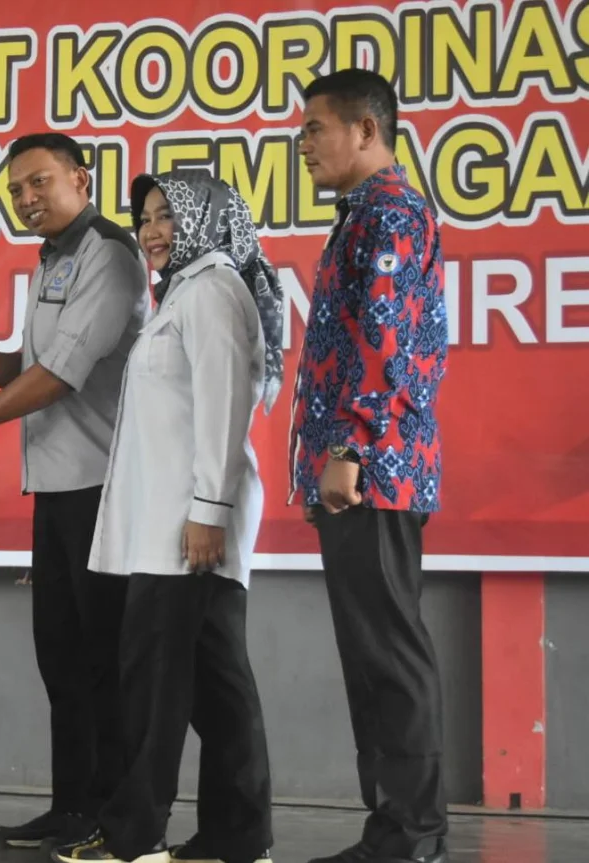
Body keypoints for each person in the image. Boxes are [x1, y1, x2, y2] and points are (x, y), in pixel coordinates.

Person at [0, 132, 149, 849]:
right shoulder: (54, 256)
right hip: (57, 486)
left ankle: (113, 815)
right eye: (15, 189)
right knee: (62, 657)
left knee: (103, 660)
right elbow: (30, 366)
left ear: (82, 179)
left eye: (39, 181)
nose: (25, 198)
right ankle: (72, 806)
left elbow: (58, 377)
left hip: (102, 487)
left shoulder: (108, 253)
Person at [52, 171, 278, 863]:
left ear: (204, 220)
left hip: (187, 526)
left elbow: (224, 405)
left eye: (167, 216)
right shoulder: (183, 291)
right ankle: (238, 839)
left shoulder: (211, 290)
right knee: (216, 688)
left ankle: (135, 838)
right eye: (145, 218)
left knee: (156, 686)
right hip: (173, 524)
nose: (151, 231)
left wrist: (208, 511)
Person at [288, 69, 449, 863]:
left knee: (389, 653)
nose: (303, 144)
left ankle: (412, 835)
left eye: (315, 127)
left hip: (374, 468)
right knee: (372, 656)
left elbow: (388, 342)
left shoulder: (390, 212)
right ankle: (391, 830)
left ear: (365, 129)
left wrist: (349, 447)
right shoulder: (363, 214)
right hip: (360, 467)